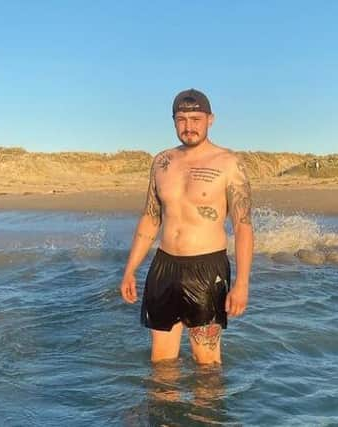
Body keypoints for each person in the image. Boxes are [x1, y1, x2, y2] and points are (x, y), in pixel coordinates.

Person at [119, 88, 254, 365]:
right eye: (181, 119)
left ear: (210, 120)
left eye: (196, 118)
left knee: (207, 364)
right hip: (164, 267)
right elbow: (150, 217)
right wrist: (130, 270)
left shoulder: (229, 163)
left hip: (206, 268)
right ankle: (163, 409)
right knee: (161, 363)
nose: (188, 127)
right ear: (173, 120)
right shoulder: (162, 162)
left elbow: (243, 227)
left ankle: (207, 411)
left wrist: (241, 284)